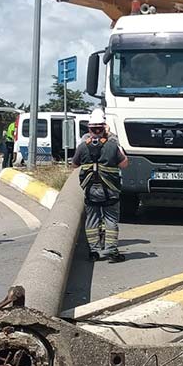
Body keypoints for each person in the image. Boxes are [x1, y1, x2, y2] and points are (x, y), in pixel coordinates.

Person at [71, 109, 130, 262]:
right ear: (104, 127)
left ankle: (94, 252)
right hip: (110, 190)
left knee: (92, 219)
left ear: (89, 128)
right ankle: (111, 251)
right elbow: (124, 163)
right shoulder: (112, 144)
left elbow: (74, 164)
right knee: (110, 218)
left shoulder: (83, 145)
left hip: (91, 190)